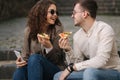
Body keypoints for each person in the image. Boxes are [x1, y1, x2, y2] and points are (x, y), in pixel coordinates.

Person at [54, 0, 120, 80]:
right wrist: (68, 50)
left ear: (85, 14)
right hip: (90, 72)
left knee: (90, 72)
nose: (72, 16)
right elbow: (78, 64)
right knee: (58, 76)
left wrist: (71, 68)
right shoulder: (77, 36)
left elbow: (101, 60)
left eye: (74, 13)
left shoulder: (104, 29)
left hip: (113, 72)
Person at [13, 0, 66, 80]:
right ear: (41, 12)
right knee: (20, 70)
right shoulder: (29, 30)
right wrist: (20, 62)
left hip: (54, 69)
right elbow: (25, 57)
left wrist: (49, 47)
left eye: (56, 12)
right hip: (34, 68)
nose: (55, 15)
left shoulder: (58, 30)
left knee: (35, 58)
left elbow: (57, 60)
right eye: (52, 12)